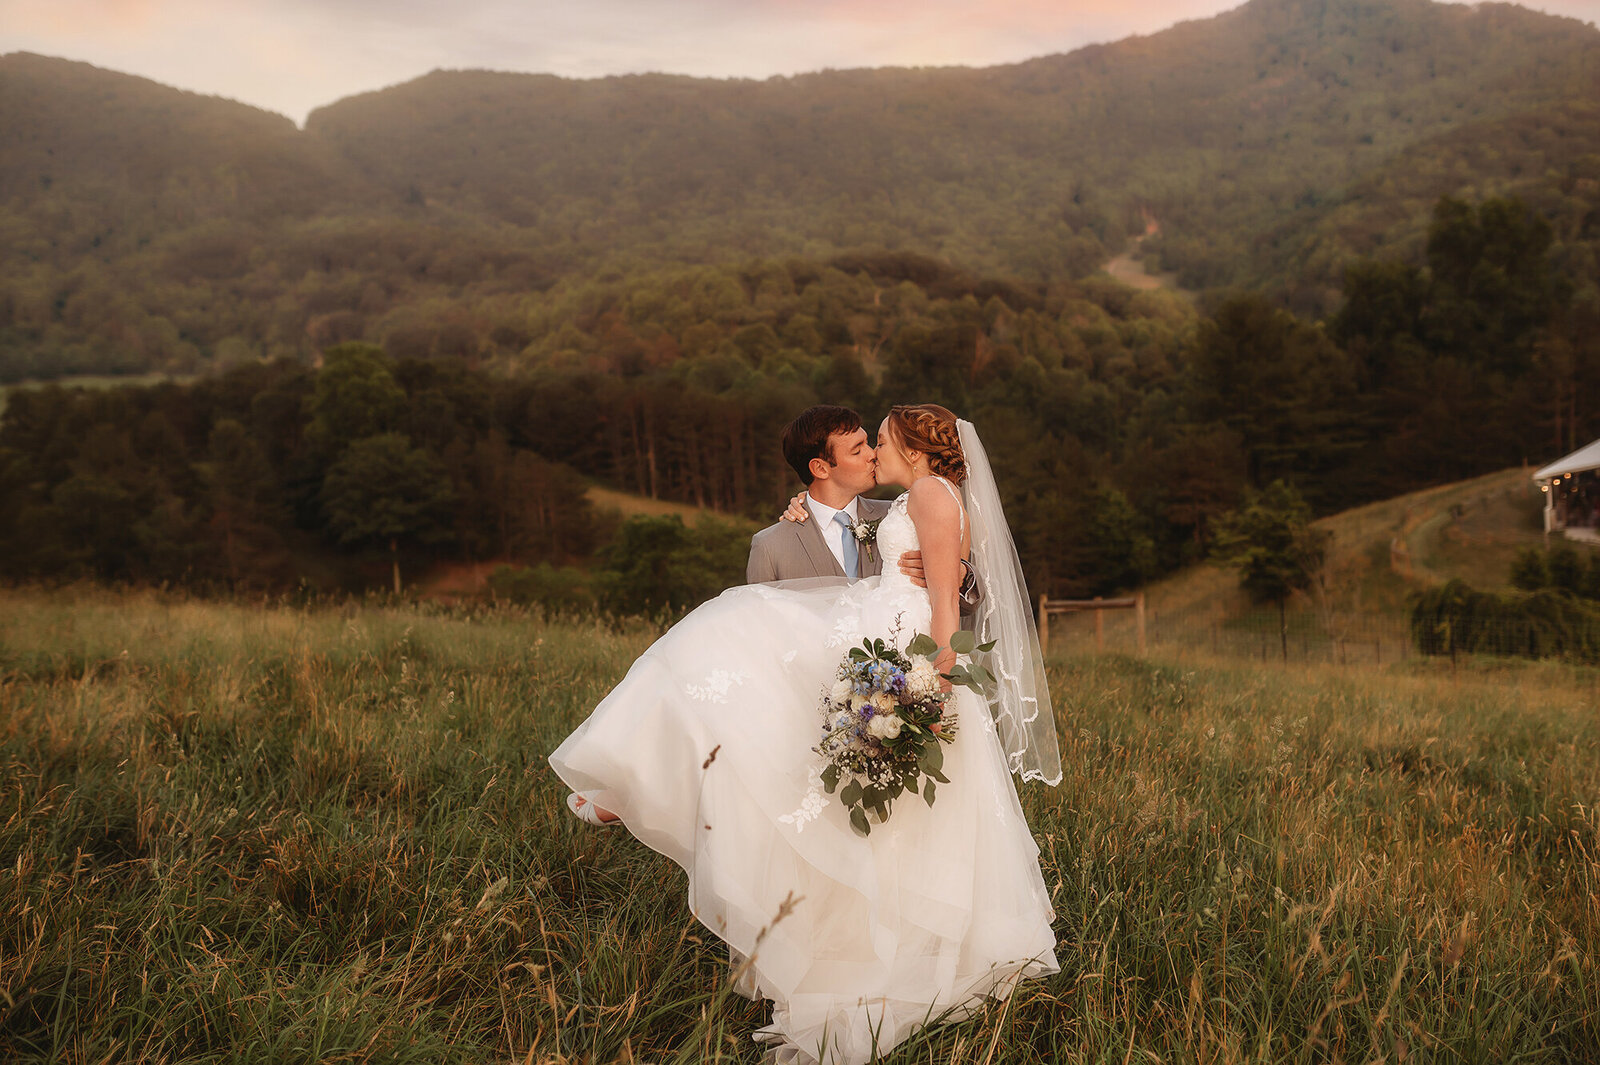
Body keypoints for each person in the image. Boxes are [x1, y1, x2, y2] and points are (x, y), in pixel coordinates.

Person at [550, 404, 1060, 1064]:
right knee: (723, 658)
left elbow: (950, 569)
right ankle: (631, 777)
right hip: (844, 664)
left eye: (879, 441)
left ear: (911, 446)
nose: (874, 453)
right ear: (821, 469)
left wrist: (941, 631)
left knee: (888, 825)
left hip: (889, 666)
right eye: (861, 447)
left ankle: (869, 943)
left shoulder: (910, 503)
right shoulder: (783, 536)